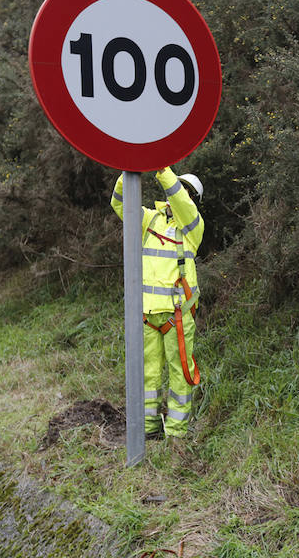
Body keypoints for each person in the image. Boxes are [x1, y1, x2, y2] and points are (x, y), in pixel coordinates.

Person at [110, 166, 205, 440]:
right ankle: (149, 429)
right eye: (179, 187)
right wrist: (127, 168)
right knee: (146, 375)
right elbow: (119, 202)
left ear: (193, 200)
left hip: (177, 317)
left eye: (186, 191)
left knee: (181, 375)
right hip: (147, 316)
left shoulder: (193, 227)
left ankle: (176, 434)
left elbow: (179, 197)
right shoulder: (150, 220)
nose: (180, 193)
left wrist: (163, 168)